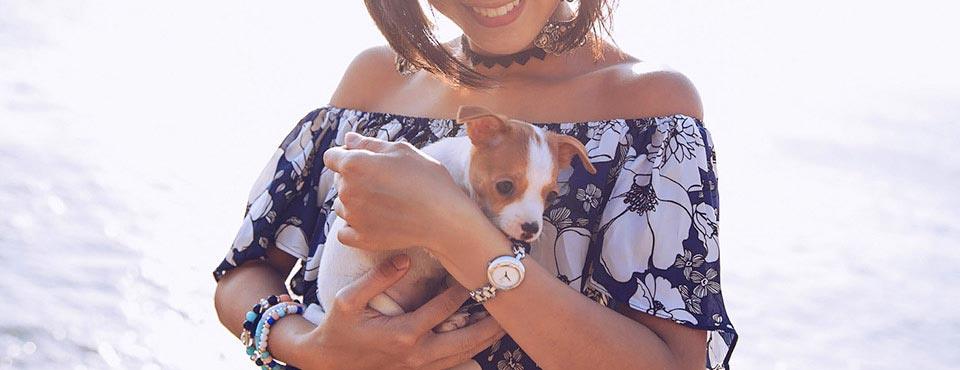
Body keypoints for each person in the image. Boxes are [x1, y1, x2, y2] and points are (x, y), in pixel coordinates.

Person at [213, 1, 737, 369]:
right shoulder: (374, 83)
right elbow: (245, 272)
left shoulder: (647, 109)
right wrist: (310, 347)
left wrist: (456, 231)